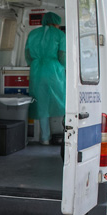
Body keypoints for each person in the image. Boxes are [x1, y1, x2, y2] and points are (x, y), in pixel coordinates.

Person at [24, 11, 66, 145]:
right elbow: (62, 55)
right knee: (60, 101)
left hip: (37, 71)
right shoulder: (60, 34)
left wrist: (35, 64)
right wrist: (62, 66)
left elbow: (28, 54)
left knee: (41, 104)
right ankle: (63, 134)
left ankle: (45, 138)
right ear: (56, 23)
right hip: (54, 71)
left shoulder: (32, 34)